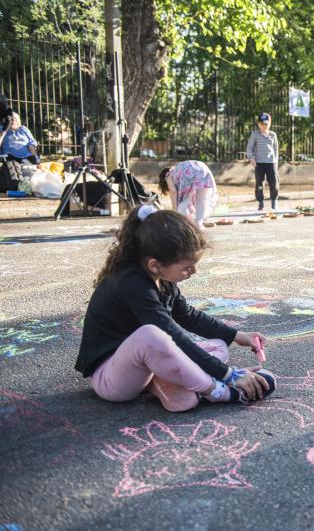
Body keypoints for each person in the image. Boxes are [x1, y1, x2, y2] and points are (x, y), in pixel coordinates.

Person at [74, 206, 277, 412]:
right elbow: (168, 331)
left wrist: (236, 335)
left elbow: (187, 315)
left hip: (146, 364)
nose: (194, 272)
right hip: (112, 378)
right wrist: (228, 374)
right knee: (151, 335)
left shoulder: (161, 277)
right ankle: (218, 391)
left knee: (218, 346)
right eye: (187, 267)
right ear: (155, 265)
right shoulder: (131, 282)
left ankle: (171, 381)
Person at [158, 160, 218, 229]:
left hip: (188, 172)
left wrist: (174, 212)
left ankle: (180, 223)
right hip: (202, 168)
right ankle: (198, 223)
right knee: (202, 200)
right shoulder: (178, 169)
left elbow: (173, 191)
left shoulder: (168, 175)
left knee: (185, 200)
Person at [246, 112, 279, 211]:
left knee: (274, 183)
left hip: (271, 163)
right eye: (261, 123)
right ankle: (261, 202)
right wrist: (251, 158)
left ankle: (274, 202)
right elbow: (250, 147)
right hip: (259, 163)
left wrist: (276, 161)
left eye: (266, 124)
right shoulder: (255, 134)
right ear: (258, 124)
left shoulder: (273, 135)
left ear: (270, 123)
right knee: (259, 183)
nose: (264, 126)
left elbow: (276, 148)